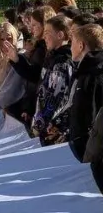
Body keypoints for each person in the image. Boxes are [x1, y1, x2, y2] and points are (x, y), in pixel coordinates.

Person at [31, 15, 75, 146]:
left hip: (55, 127)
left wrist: (40, 123)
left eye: (47, 33)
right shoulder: (54, 58)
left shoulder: (62, 62)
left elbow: (56, 98)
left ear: (60, 35)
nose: (44, 37)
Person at [67, 24, 103, 163]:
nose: (70, 47)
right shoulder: (86, 71)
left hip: (91, 152)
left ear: (81, 46)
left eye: (72, 43)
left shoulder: (91, 75)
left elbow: (90, 112)